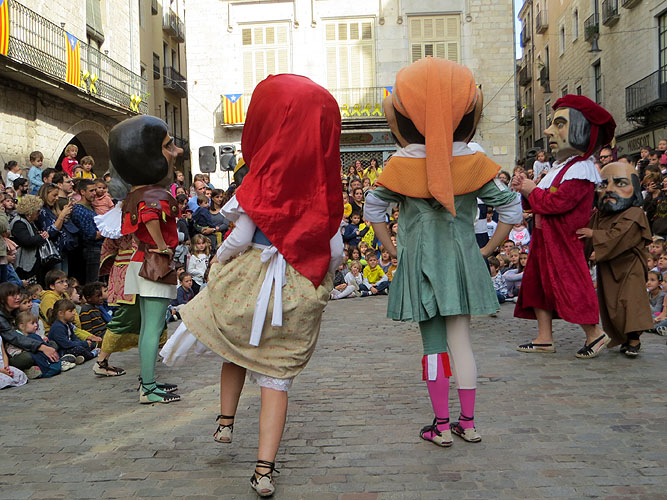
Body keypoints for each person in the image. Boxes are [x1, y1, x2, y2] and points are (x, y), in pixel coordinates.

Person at [168, 74, 343, 496]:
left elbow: (241, 237)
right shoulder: (324, 189)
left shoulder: (260, 181)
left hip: (252, 280)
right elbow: (335, 249)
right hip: (296, 286)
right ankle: (264, 471)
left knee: (235, 347)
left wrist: (219, 262)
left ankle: (225, 421)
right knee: (275, 377)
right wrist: (320, 276)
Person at [364, 58, 522, 447]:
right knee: (462, 342)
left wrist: (393, 249)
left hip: (420, 262)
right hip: (462, 261)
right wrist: (487, 248)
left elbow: (373, 209)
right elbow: (511, 208)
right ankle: (468, 422)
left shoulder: (400, 165)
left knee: (433, 347)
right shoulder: (473, 160)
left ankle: (441, 424)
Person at [512, 95, 616, 358]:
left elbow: (556, 203)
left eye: (559, 124)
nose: (548, 132)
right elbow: (540, 202)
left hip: (562, 241)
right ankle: (544, 338)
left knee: (571, 286)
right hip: (545, 238)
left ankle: (595, 334)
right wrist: (525, 188)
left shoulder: (581, 169)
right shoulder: (562, 167)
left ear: (581, 130)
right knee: (538, 286)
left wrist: (531, 189)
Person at [109, 114, 183, 403]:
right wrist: (162, 245)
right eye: (168, 146)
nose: (176, 151)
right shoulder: (153, 193)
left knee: (148, 328)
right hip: (153, 264)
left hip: (139, 261)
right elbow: (151, 215)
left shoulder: (134, 192)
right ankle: (149, 387)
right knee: (152, 327)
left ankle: (147, 380)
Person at [576, 162, 653, 357]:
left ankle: (633, 340)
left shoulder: (635, 214)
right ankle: (623, 338)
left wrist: (594, 235)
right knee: (613, 306)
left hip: (629, 267)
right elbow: (584, 237)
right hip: (608, 269)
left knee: (630, 302)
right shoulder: (600, 215)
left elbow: (621, 236)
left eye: (620, 183)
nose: (609, 189)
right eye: (603, 184)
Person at [0, 282, 61, 378]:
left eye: (18, 294)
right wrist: (41, 346)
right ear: (2, 299)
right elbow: (15, 338)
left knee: (53, 344)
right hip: (12, 354)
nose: (17, 298)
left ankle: (42, 364)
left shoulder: (16, 312)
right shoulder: (1, 318)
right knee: (29, 357)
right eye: (13, 295)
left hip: (27, 345)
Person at [70, 179, 104, 283]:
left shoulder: (91, 207)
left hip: (98, 249)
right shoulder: (79, 210)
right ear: (82, 192)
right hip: (90, 250)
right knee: (93, 283)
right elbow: (91, 235)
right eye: (91, 191)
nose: (95, 193)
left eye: (95, 190)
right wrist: (108, 231)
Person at [10, 195, 49, 282]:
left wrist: (39, 234)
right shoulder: (19, 223)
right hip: (23, 265)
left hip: (31, 262)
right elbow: (27, 241)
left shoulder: (29, 222)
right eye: (38, 211)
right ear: (30, 212)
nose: (39, 213)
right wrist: (41, 237)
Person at [47, 299, 96, 364]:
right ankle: (92, 354)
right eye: (71, 311)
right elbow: (66, 344)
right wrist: (84, 344)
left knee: (91, 344)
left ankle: (78, 358)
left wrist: (84, 343)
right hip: (62, 351)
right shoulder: (57, 327)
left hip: (70, 346)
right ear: (61, 313)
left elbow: (74, 338)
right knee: (79, 349)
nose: (73, 313)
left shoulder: (68, 324)